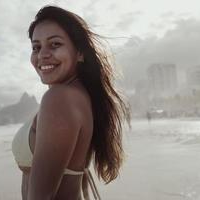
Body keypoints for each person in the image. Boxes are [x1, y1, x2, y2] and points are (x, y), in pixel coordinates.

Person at [11, 5, 129, 200]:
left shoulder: (60, 99)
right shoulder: (79, 96)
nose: (42, 55)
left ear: (80, 52)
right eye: (36, 47)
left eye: (55, 44)